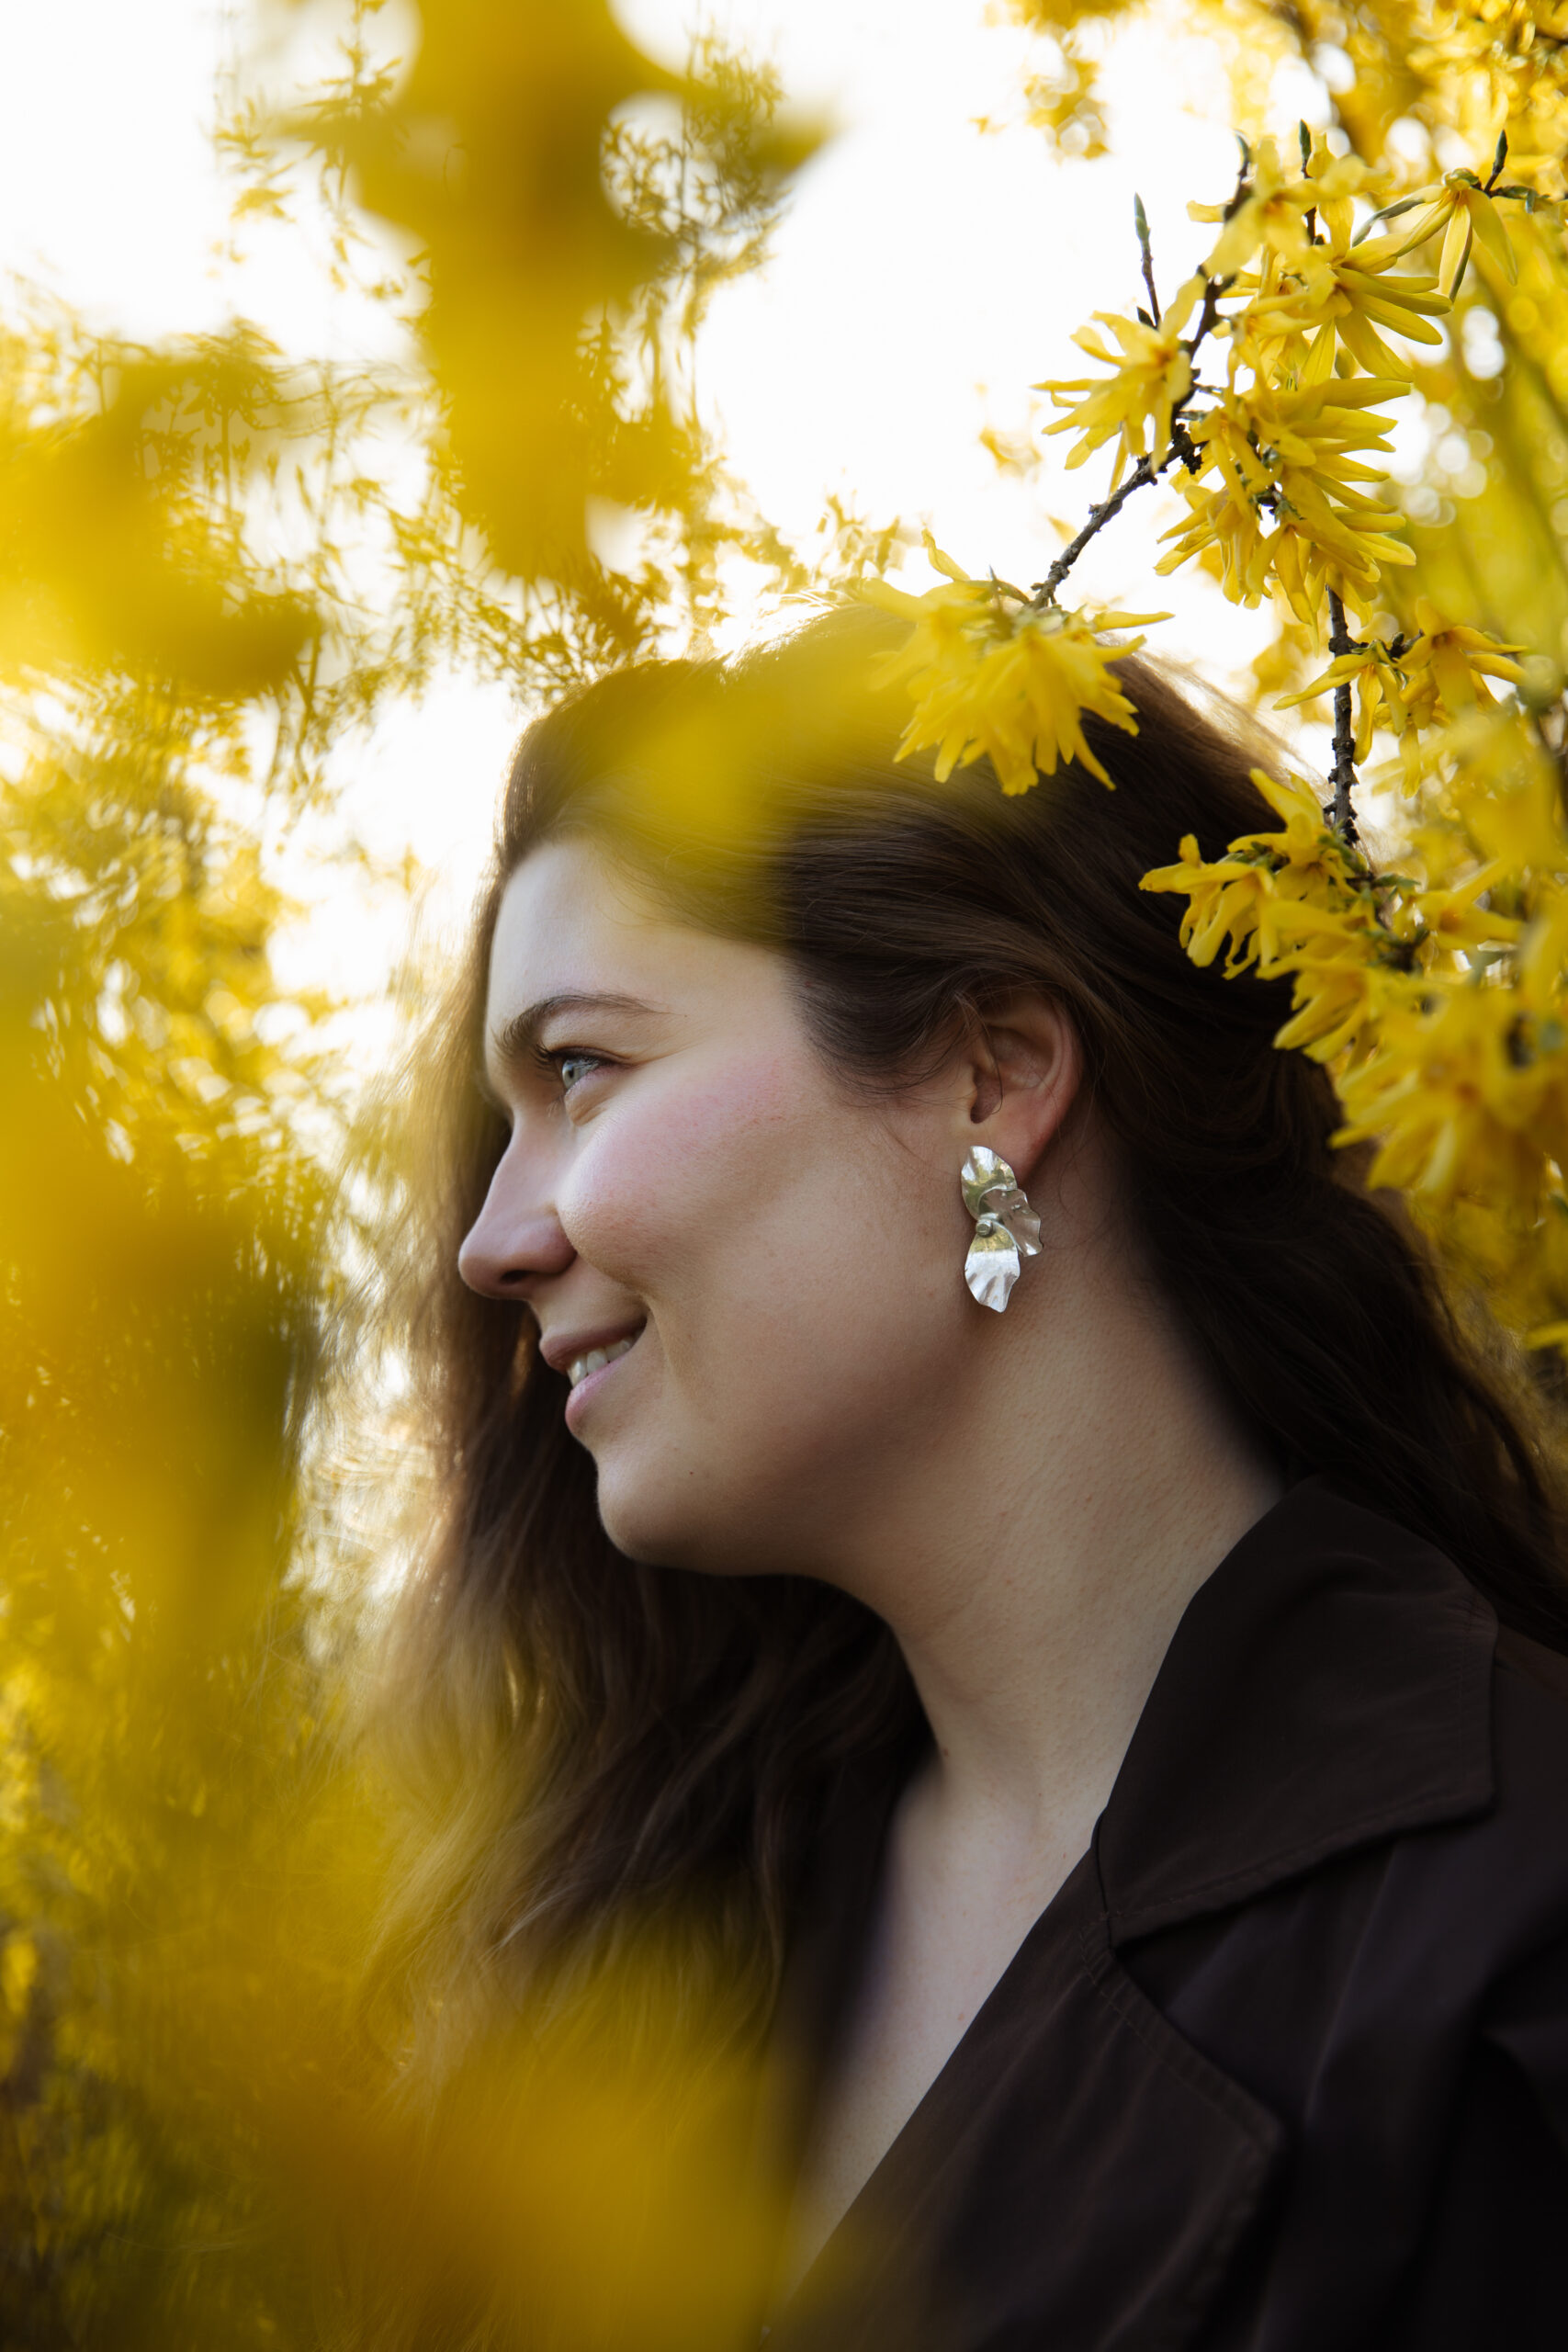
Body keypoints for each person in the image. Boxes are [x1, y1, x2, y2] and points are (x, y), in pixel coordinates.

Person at [388, 605, 1568, 2348]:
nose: (493, 1242)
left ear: (989, 1077)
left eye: (582, 1070)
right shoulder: (671, 1925)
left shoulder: (1509, 1933)